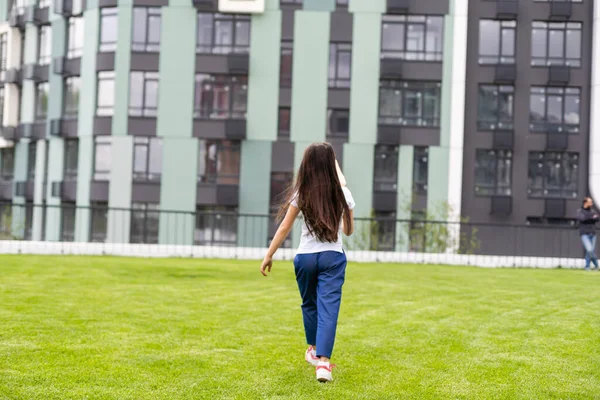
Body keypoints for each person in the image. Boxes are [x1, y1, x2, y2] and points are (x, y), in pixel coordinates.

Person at [260, 142, 355, 383]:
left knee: (309, 304)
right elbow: (348, 230)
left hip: (305, 258)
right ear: (332, 166)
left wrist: (269, 255)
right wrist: (344, 192)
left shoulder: (302, 193)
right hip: (332, 257)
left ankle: (313, 349)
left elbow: (284, 227)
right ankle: (323, 364)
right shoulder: (342, 194)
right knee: (328, 309)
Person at [577, 196, 599, 271]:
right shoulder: (580, 211)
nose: (591, 203)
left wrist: (589, 217)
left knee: (589, 251)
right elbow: (582, 218)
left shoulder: (593, 211)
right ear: (585, 203)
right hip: (584, 234)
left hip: (593, 233)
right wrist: (591, 217)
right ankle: (596, 264)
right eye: (590, 202)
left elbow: (597, 218)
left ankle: (587, 266)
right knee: (589, 250)